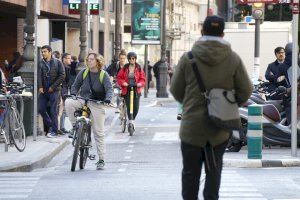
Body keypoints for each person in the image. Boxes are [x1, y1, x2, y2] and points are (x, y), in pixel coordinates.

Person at [170, 16, 252, 200]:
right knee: (214, 173)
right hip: (220, 128)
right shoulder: (233, 59)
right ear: (223, 34)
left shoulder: (188, 58)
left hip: (192, 127)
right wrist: (227, 103)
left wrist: (191, 103)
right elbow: (246, 90)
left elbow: (175, 90)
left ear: (202, 32)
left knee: (190, 174)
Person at [65, 52, 112, 170]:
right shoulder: (84, 72)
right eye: (88, 59)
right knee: (69, 102)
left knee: (99, 132)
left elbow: (109, 89)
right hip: (83, 100)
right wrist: (74, 94)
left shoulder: (103, 75)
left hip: (97, 103)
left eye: (92, 59)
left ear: (98, 61)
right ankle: (75, 126)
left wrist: (107, 99)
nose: (89, 61)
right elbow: (75, 85)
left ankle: (101, 159)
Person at [38, 45, 65, 138]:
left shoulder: (58, 62)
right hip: (44, 90)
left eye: (45, 51)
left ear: (50, 52)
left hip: (54, 90)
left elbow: (62, 75)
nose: (43, 53)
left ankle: (54, 131)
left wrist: (53, 87)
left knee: (53, 111)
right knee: (41, 108)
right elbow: (39, 75)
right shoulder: (40, 63)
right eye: (42, 52)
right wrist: (40, 86)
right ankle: (52, 125)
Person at [116, 52, 145, 130]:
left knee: (136, 108)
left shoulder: (139, 68)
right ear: (128, 59)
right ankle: (131, 122)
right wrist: (123, 83)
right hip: (127, 89)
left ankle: (132, 120)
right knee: (129, 107)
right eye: (130, 58)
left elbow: (143, 79)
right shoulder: (125, 68)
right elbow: (119, 77)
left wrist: (140, 83)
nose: (132, 60)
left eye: (133, 58)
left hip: (136, 90)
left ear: (135, 59)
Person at [58, 53, 72, 134]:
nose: (70, 60)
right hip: (62, 90)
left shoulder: (64, 67)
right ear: (63, 59)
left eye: (70, 58)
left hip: (62, 90)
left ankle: (62, 127)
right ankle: (60, 127)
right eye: (68, 58)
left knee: (62, 110)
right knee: (61, 109)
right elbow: (66, 81)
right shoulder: (65, 68)